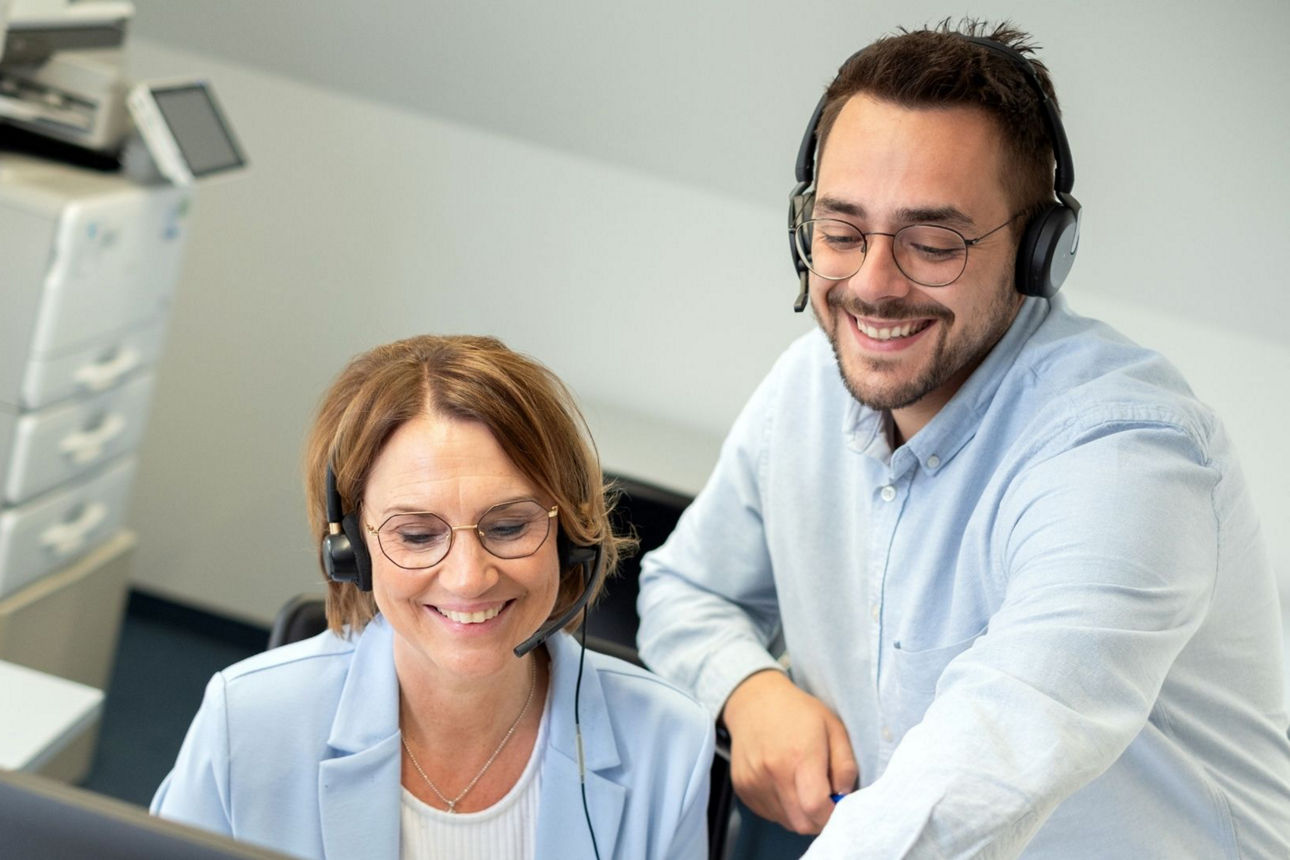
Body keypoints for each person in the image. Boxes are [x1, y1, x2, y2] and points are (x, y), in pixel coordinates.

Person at [636, 19, 1290, 859]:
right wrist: (751, 687)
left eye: (932, 244)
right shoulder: (803, 390)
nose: (872, 284)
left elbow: (980, 768)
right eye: (841, 233)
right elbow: (684, 590)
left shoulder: (1129, 456)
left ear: (1038, 254)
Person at [153, 334, 714, 859]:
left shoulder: (667, 743)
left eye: (509, 527)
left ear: (570, 534)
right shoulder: (247, 724)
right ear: (350, 550)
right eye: (418, 535)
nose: (469, 578)